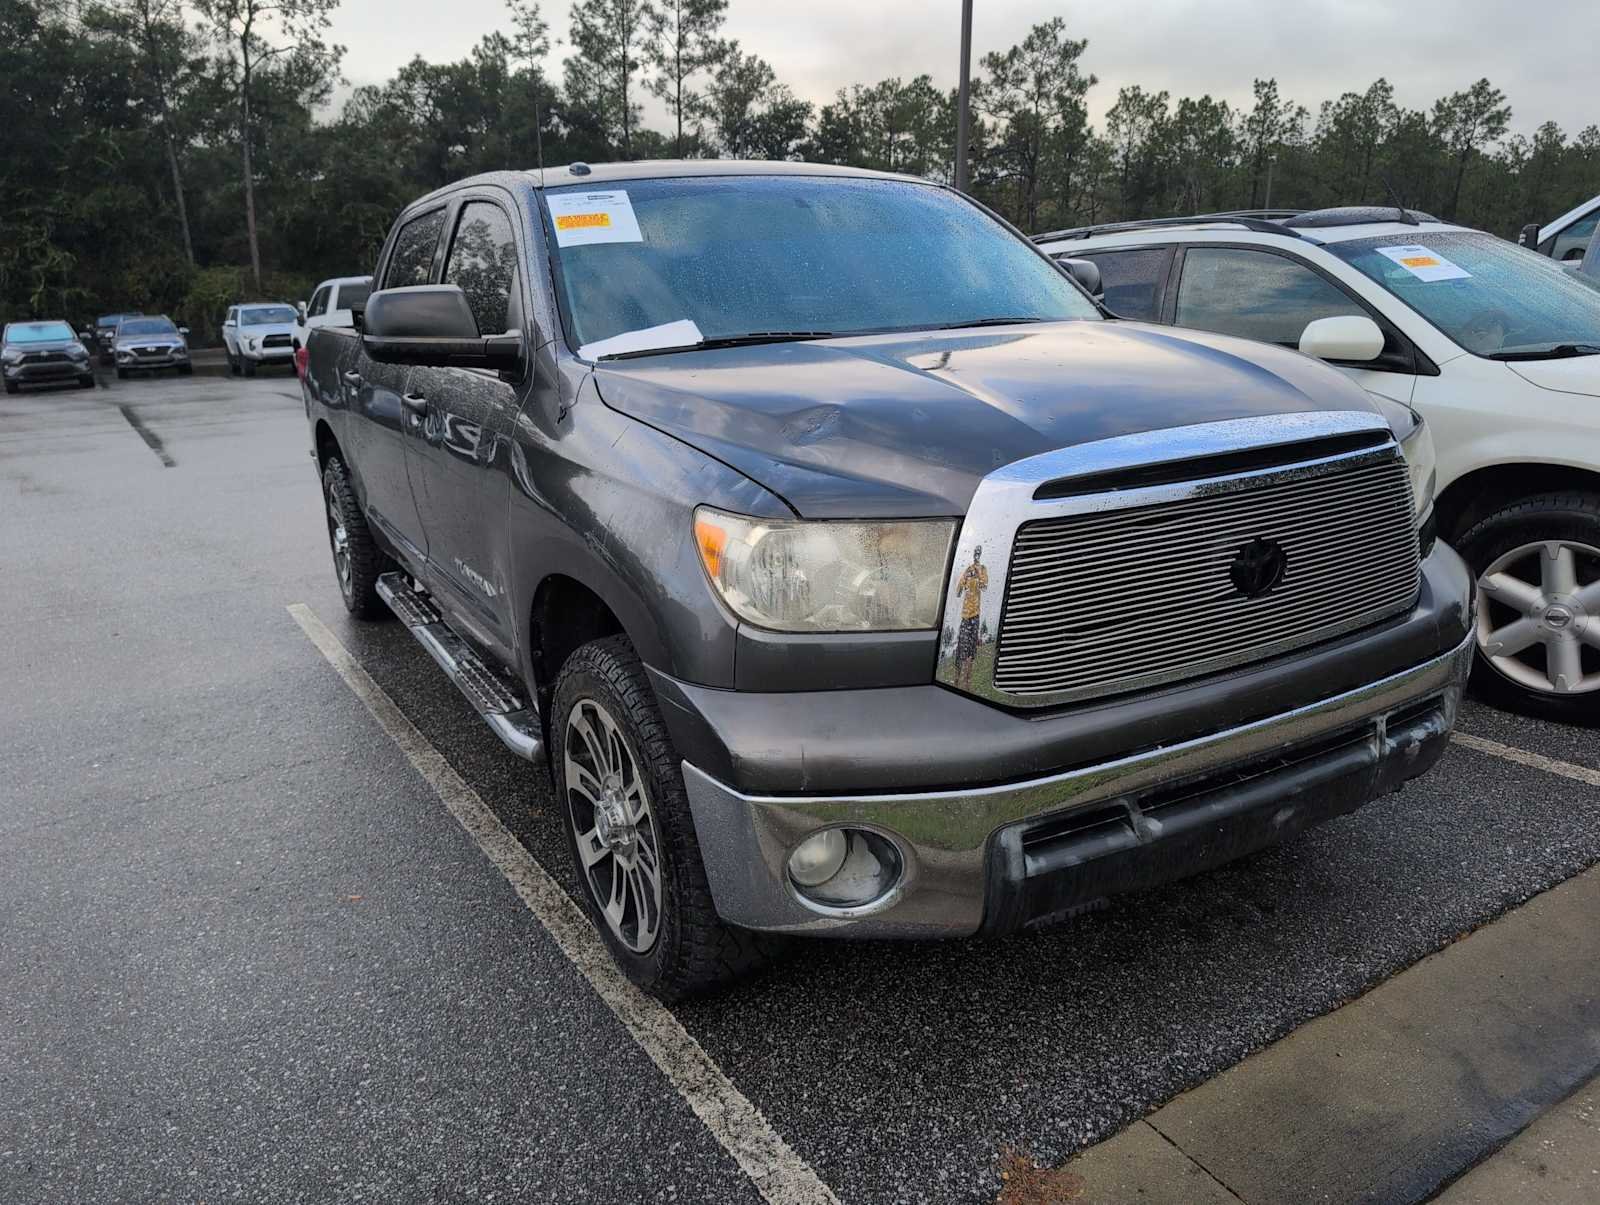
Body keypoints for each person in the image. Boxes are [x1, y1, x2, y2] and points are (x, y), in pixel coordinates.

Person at [954, 546, 989, 689]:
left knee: (971, 651)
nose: (976, 555)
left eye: (978, 553)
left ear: (980, 554)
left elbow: (984, 587)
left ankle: (967, 683)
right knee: (961, 649)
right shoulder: (968, 569)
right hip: (965, 615)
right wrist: (966, 578)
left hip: (975, 615)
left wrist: (978, 575)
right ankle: (956, 681)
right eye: (975, 553)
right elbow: (957, 592)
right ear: (973, 554)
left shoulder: (983, 569)